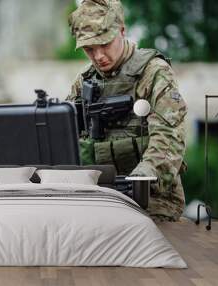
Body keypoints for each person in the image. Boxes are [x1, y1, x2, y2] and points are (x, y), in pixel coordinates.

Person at [66, 0, 188, 222]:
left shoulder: (154, 73)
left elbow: (169, 137)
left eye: (105, 44)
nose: (99, 55)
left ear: (122, 31)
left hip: (152, 200)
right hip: (100, 198)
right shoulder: (83, 82)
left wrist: (142, 178)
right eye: (89, 49)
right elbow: (64, 139)